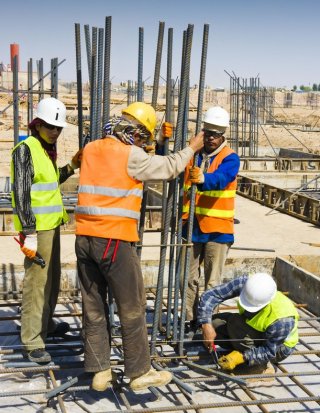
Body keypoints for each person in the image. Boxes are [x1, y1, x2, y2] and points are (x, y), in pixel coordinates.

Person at [74, 101, 204, 392]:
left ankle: (100, 370)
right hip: (114, 241)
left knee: (93, 307)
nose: (144, 143)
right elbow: (168, 167)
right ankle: (138, 373)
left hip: (83, 240)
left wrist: (157, 143)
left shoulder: (92, 148)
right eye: (144, 137)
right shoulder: (130, 154)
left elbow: (131, 165)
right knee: (131, 306)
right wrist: (191, 148)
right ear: (137, 133)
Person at [11, 97, 83, 363]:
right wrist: (28, 233)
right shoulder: (25, 149)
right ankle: (31, 340)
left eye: (59, 128)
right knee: (36, 285)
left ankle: (46, 324)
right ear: (38, 124)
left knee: (51, 282)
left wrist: (72, 166)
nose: (55, 131)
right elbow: (19, 193)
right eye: (51, 126)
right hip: (36, 230)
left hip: (51, 227)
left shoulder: (45, 150)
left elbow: (51, 181)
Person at [182, 106, 240, 329]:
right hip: (191, 227)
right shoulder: (192, 153)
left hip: (218, 230)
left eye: (215, 135)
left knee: (212, 283)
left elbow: (222, 178)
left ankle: (208, 323)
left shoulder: (230, 158)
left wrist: (203, 178)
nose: (211, 138)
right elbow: (172, 165)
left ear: (223, 135)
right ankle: (190, 319)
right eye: (207, 133)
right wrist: (160, 144)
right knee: (185, 279)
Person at [197, 273, 299, 375]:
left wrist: (242, 357)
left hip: (278, 349)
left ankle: (259, 367)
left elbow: (269, 351)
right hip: (255, 332)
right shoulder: (247, 284)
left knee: (235, 324)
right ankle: (244, 351)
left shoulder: (282, 319)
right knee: (215, 324)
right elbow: (210, 295)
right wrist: (206, 325)